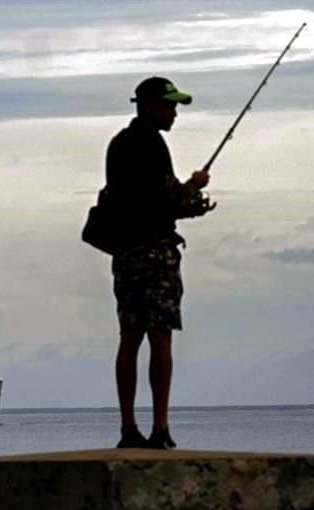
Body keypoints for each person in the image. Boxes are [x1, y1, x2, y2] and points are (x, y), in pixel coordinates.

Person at [105, 77, 211, 449]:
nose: (174, 113)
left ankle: (127, 428)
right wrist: (195, 187)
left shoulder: (118, 145)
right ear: (149, 105)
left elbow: (130, 199)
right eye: (169, 105)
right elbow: (166, 201)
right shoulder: (153, 144)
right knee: (160, 336)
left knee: (129, 337)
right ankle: (161, 428)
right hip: (155, 251)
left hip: (125, 253)